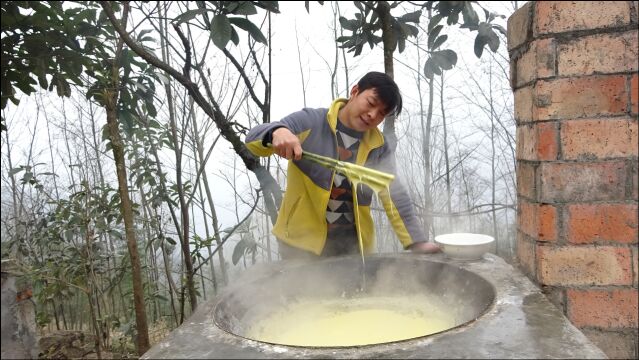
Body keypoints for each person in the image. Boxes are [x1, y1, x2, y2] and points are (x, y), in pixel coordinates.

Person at [245, 71, 440, 260]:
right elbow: (253, 140)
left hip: (353, 247)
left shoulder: (378, 147)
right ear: (354, 91)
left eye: (381, 113)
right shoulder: (312, 121)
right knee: (303, 292)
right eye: (371, 103)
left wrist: (416, 241)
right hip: (300, 244)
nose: (373, 115)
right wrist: (277, 132)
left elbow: (393, 192)